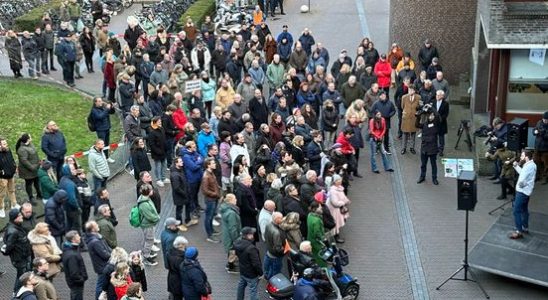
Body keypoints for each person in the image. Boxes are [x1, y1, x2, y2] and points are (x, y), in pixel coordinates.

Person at [509, 150, 537, 239]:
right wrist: (516, 167)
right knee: (524, 209)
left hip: (522, 192)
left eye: (522, 156)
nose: (520, 157)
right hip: (526, 192)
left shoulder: (528, 167)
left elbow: (522, 179)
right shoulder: (531, 165)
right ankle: (525, 227)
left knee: (516, 211)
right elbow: (523, 174)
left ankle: (519, 231)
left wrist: (520, 185)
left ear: (526, 157)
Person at [4, 208, 32, 293]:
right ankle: (16, 292)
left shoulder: (17, 226)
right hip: (19, 259)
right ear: (15, 218)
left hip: (23, 256)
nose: (21, 216)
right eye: (19, 215)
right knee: (21, 275)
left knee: (23, 274)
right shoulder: (13, 231)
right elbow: (8, 248)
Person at [84, 220, 112, 299]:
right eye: (96, 225)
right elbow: (104, 254)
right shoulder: (95, 242)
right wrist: (113, 255)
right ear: (92, 229)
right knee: (101, 285)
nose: (98, 226)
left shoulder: (97, 238)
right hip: (102, 266)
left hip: (101, 266)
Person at [235, 227, 263, 300]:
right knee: (253, 290)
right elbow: (256, 264)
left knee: (241, 285)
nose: (253, 236)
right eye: (251, 234)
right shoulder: (251, 249)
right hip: (251, 274)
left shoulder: (237, 243)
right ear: (247, 236)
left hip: (243, 271)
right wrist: (261, 273)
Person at [137, 184, 161, 265]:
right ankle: (146, 257)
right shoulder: (144, 204)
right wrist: (157, 218)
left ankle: (147, 252)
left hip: (147, 224)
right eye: (151, 190)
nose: (152, 191)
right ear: (148, 192)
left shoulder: (145, 199)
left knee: (147, 239)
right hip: (148, 225)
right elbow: (150, 216)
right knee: (149, 240)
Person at [16, 134, 43, 205]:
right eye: (30, 137)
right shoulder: (22, 149)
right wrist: (33, 167)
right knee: (29, 184)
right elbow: (24, 161)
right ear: (27, 139)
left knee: (37, 181)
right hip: (27, 171)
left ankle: (39, 194)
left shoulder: (30, 144)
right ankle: (31, 197)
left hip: (35, 168)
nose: (31, 137)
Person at [62, 230, 88, 300]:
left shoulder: (71, 249)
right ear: (73, 240)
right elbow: (74, 273)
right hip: (76, 283)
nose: (80, 237)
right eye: (78, 236)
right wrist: (81, 279)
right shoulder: (72, 255)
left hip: (74, 283)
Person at [416, 110, 440, 185]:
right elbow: (417, 125)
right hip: (424, 148)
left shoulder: (436, 124)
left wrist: (431, 108)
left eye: (432, 115)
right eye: (430, 115)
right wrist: (418, 116)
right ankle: (422, 176)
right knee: (423, 164)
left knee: (433, 164)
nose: (431, 116)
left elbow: (438, 116)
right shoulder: (425, 124)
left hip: (432, 148)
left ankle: (434, 178)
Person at [148, 116, 169, 186]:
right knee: (158, 166)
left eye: (160, 121)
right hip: (157, 153)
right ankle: (158, 179)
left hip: (163, 151)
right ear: (155, 123)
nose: (160, 122)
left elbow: (164, 139)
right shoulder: (152, 132)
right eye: (159, 122)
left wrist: (166, 148)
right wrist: (158, 151)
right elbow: (151, 144)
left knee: (164, 164)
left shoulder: (162, 129)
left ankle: (163, 177)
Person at [0, 137, 19, 216]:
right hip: (2, 177)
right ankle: (1, 209)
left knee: (12, 190)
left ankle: (14, 204)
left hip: (11, 175)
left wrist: (15, 167)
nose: (6, 145)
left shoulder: (8, 150)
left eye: (6, 143)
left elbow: (12, 160)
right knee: (2, 194)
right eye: (4, 144)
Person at [400, 85, 421, 155]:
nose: (410, 91)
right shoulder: (404, 97)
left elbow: (419, 106)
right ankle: (403, 148)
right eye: (409, 90)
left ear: (414, 91)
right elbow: (402, 106)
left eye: (411, 90)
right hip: (406, 117)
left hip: (414, 118)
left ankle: (412, 148)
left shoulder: (418, 97)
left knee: (413, 133)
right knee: (405, 133)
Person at [307, 202, 326, 267]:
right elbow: (317, 233)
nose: (321, 208)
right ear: (315, 209)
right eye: (320, 207)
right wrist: (323, 239)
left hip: (310, 239)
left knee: (315, 255)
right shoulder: (317, 220)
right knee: (320, 256)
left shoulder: (309, 215)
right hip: (317, 242)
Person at [533, 111, 548, 184]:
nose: (545, 121)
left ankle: (545, 178)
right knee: (535, 161)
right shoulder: (539, 122)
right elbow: (534, 129)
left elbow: (546, 136)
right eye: (544, 119)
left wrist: (540, 132)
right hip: (537, 146)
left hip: (546, 148)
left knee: (546, 164)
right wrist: (534, 131)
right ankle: (537, 176)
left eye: (546, 120)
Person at [434, 90, 450, 156]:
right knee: (434, 136)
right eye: (436, 95)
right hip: (434, 123)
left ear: (442, 96)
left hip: (441, 123)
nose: (437, 96)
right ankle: (435, 148)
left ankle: (441, 150)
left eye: (438, 95)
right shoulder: (433, 102)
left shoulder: (445, 104)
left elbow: (446, 114)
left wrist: (439, 118)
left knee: (441, 138)